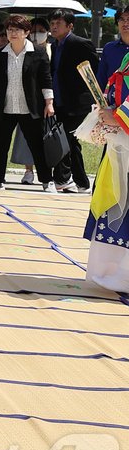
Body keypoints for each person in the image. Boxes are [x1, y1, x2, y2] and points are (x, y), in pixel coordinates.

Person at [0, 14, 55, 190]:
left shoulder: (38, 52)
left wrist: (49, 102)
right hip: (6, 106)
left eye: (17, 30)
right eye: (9, 30)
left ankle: (47, 181)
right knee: (0, 145)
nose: (12, 33)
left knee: (37, 146)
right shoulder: (0, 54)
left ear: (26, 32)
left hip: (30, 108)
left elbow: (46, 79)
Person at [85, 45, 129, 291]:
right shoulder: (126, 57)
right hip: (122, 141)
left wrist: (119, 116)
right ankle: (114, 270)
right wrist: (108, 111)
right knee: (117, 198)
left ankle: (124, 273)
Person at [48, 9, 96, 193]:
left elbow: (94, 72)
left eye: (58, 24)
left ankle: (63, 179)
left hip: (78, 102)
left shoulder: (81, 44)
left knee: (66, 139)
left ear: (70, 26)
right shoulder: (54, 45)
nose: (54, 27)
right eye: (52, 23)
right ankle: (81, 182)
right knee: (69, 141)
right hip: (59, 100)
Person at [98, 8, 129, 88]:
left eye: (128, 19)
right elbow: (101, 79)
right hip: (112, 95)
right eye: (121, 19)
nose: (125, 23)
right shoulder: (109, 49)